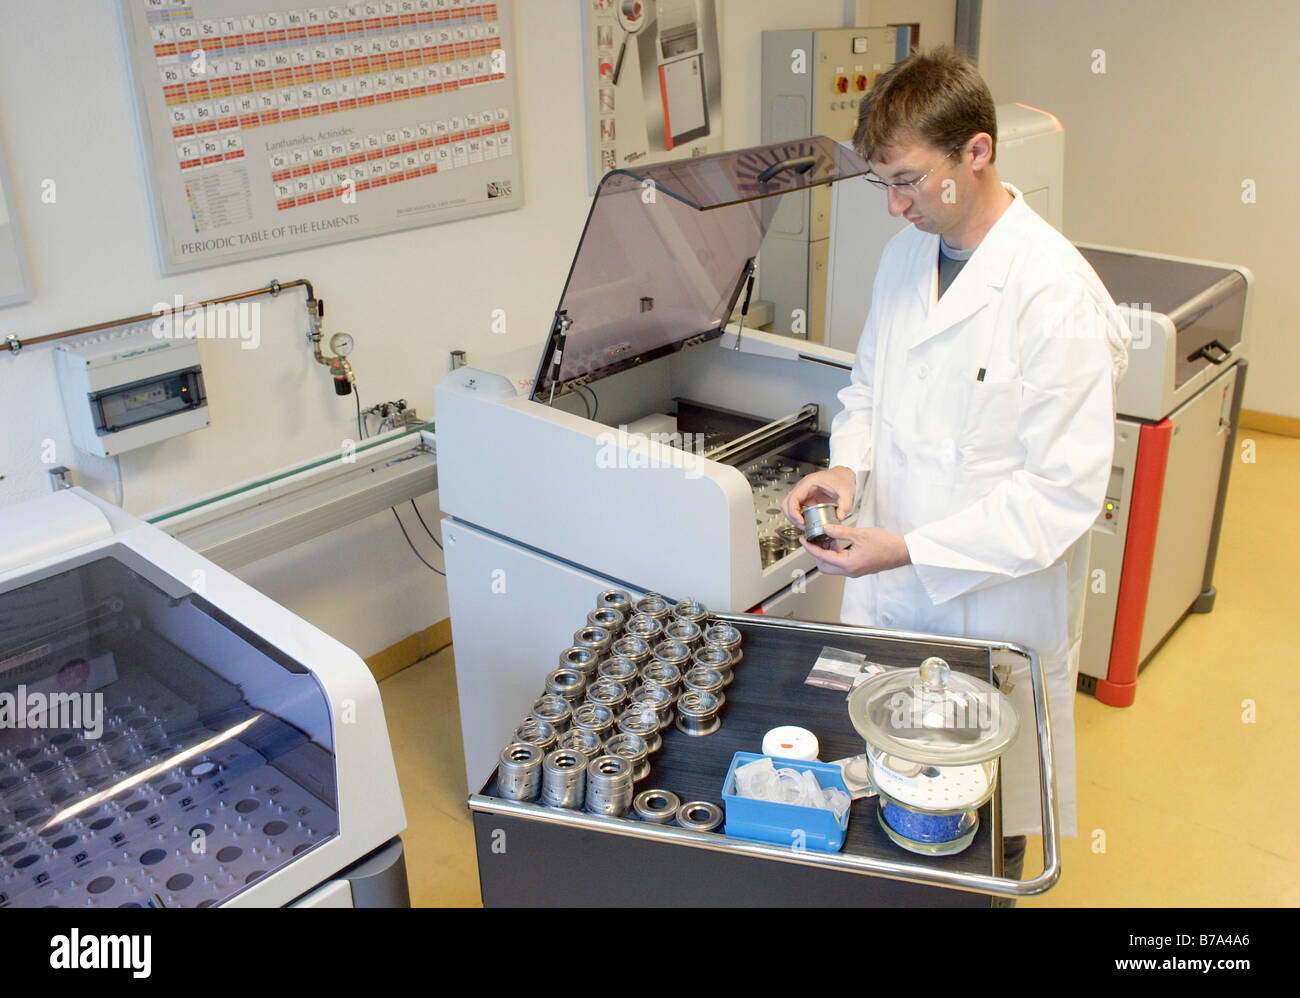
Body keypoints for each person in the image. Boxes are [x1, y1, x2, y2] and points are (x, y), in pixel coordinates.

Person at [781, 47, 1131, 895]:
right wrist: (847, 469)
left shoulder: (1054, 296)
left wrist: (906, 549)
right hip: (893, 592)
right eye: (884, 185)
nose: (896, 207)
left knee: (984, 829)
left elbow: (1062, 496)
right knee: (889, 815)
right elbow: (869, 386)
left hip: (993, 608)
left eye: (909, 180)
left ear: (977, 151)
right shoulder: (909, 255)